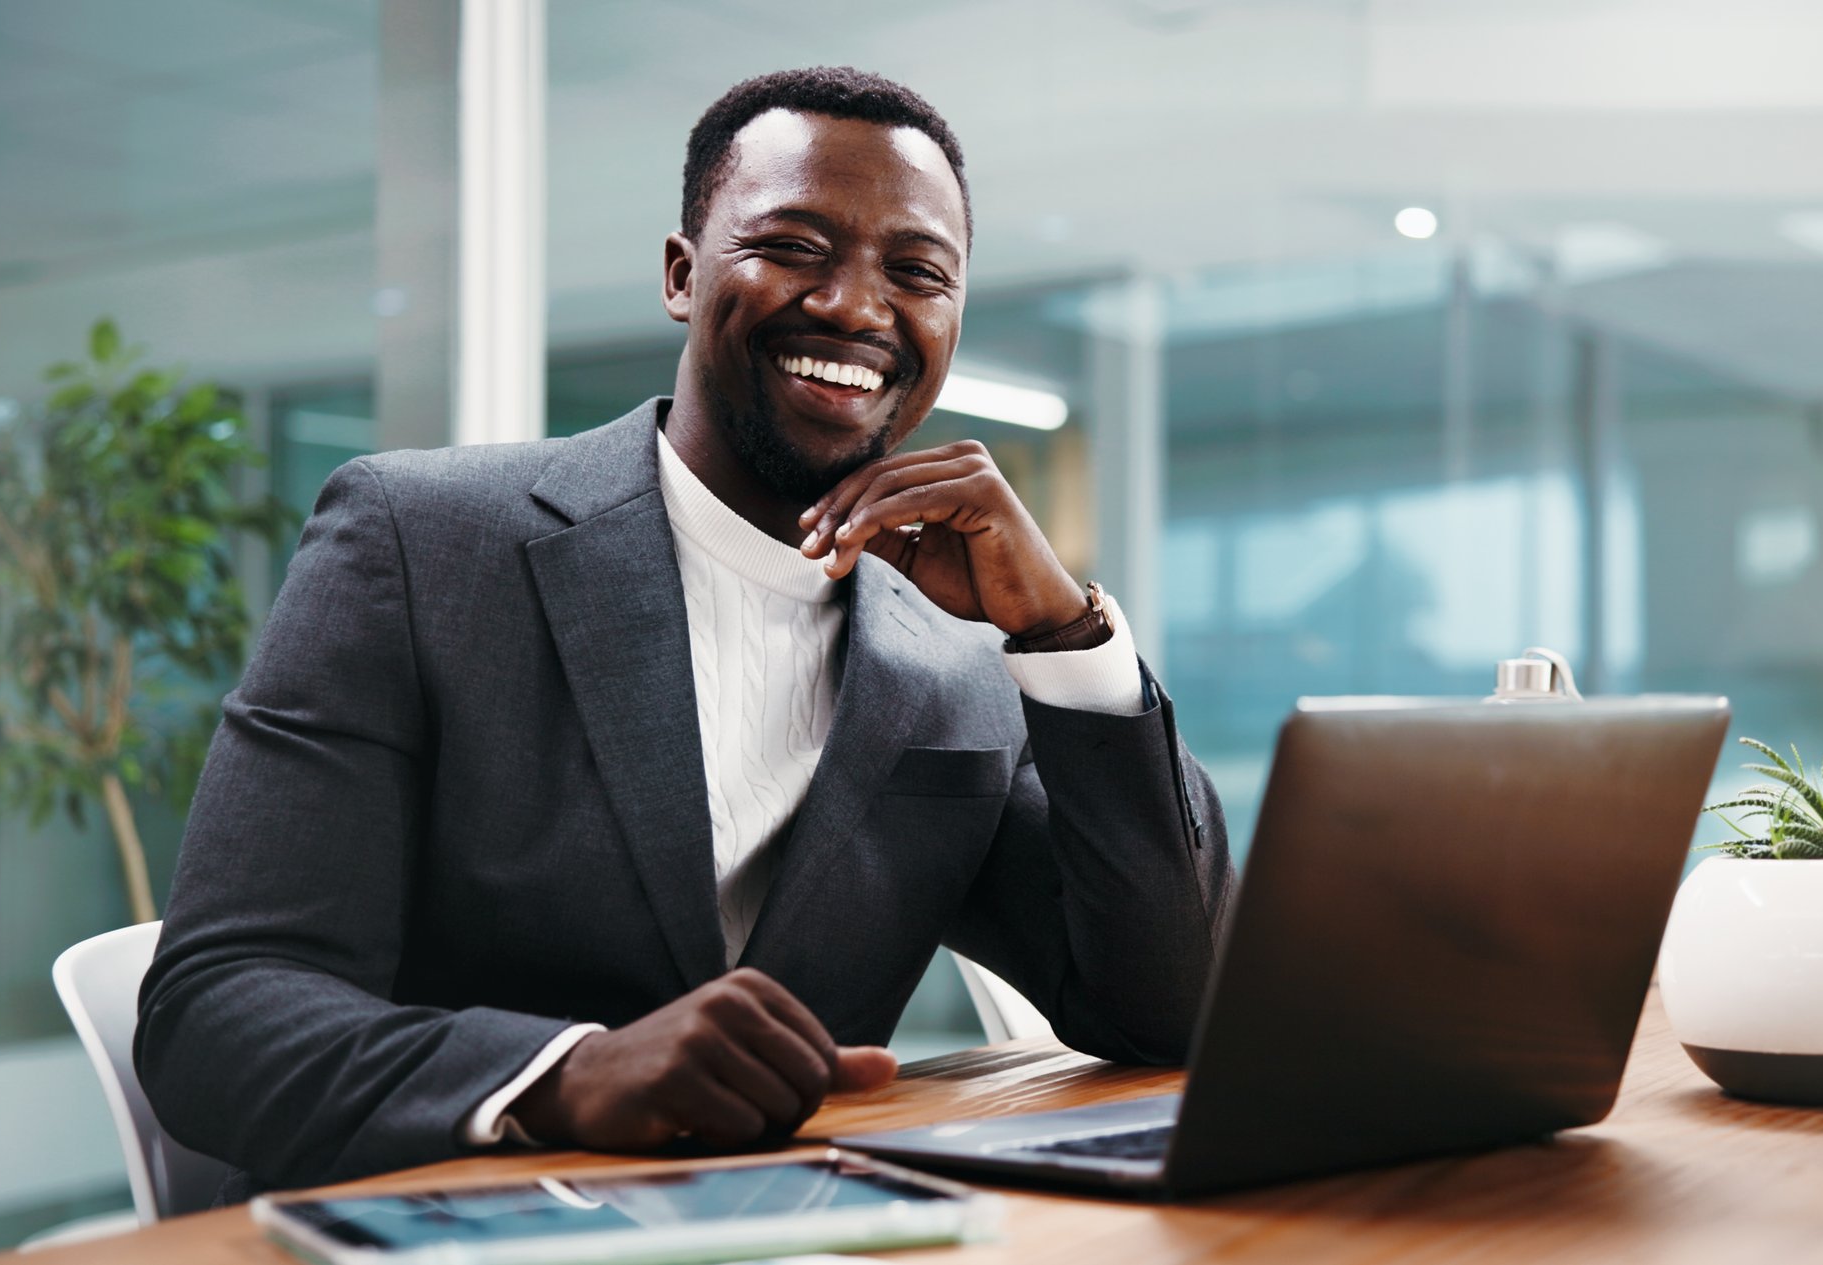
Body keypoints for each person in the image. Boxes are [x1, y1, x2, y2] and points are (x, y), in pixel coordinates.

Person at [136, 67, 1232, 1199]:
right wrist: (569, 1072)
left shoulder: (955, 665)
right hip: (441, 1216)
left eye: (916, 273)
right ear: (680, 273)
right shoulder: (421, 541)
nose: (857, 307)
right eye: (795, 247)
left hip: (786, 1225)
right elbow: (215, 1008)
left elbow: (1172, 1005)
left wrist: (1062, 632)